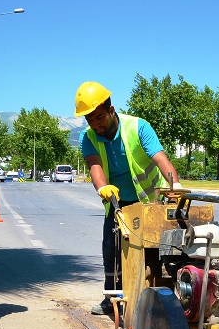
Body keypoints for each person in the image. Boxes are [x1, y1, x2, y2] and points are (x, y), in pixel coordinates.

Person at [75, 81, 182, 315]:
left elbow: (161, 159)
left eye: (99, 117)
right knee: (111, 249)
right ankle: (112, 300)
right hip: (117, 201)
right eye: (89, 120)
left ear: (111, 111)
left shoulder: (138, 127)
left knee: (157, 250)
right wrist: (102, 187)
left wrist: (176, 186)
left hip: (150, 200)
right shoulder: (88, 137)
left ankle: (161, 299)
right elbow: (94, 166)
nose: (95, 124)